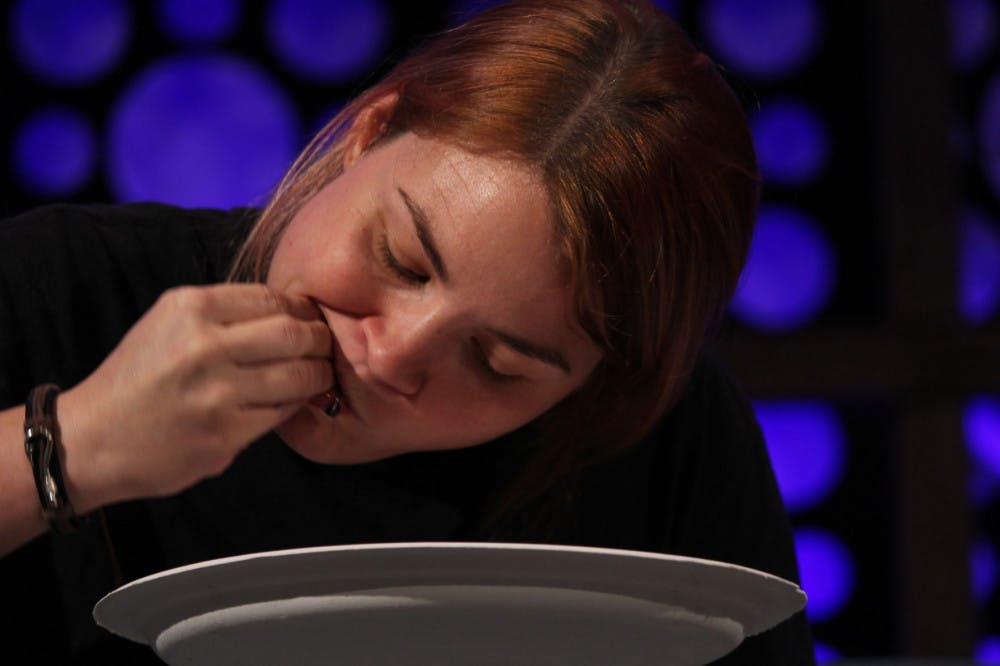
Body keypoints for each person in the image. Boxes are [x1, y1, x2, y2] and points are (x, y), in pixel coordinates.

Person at [0, 0, 815, 663]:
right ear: (368, 135)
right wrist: (78, 445)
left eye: (498, 364)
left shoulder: (664, 436)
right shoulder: (65, 281)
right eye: (401, 260)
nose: (391, 356)